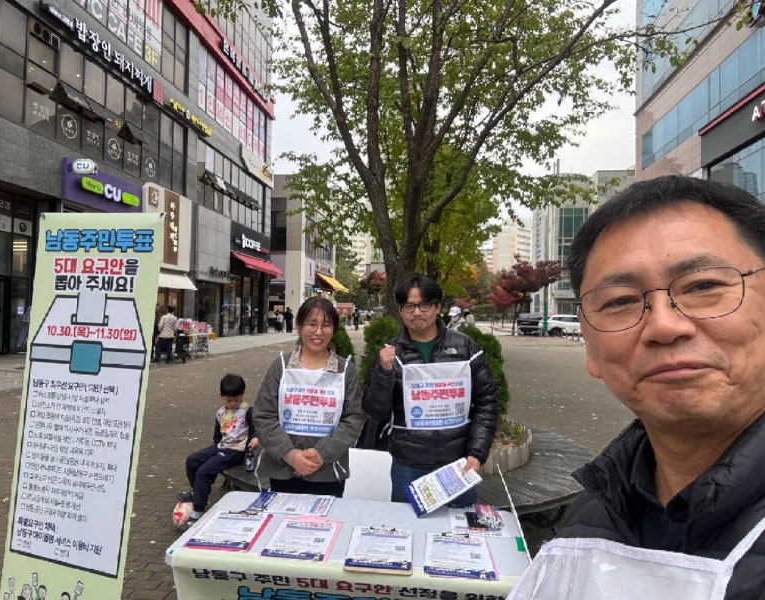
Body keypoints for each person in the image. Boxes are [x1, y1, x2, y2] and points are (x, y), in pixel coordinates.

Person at [509, 176, 765, 599]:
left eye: (703, 285)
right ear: (590, 347)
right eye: (620, 301)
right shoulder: (585, 524)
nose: (663, 325)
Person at [362, 274, 498, 506]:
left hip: (458, 466)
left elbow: (487, 401)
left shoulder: (465, 348)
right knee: (407, 525)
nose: (417, 312)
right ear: (401, 311)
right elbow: (375, 411)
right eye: (409, 306)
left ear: (437, 307)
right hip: (407, 466)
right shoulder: (390, 354)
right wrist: (384, 373)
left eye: (424, 305)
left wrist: (476, 453)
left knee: (459, 526)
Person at [253, 297, 363, 497]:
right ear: (299, 326)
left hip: (328, 473)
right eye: (312, 324)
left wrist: (321, 454)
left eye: (326, 325)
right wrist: (291, 455)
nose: (318, 332)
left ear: (334, 329)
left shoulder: (345, 370)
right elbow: (263, 415)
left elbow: (353, 418)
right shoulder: (281, 366)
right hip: (282, 471)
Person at [177, 374, 258, 529]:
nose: (232, 403)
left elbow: (256, 429)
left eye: (236, 400)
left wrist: (255, 439)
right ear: (221, 396)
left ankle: (198, 510)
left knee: (204, 471)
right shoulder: (220, 412)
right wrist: (214, 449)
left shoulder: (247, 411)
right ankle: (196, 491)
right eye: (229, 400)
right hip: (221, 446)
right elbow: (217, 434)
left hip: (236, 451)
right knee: (192, 460)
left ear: (242, 395)